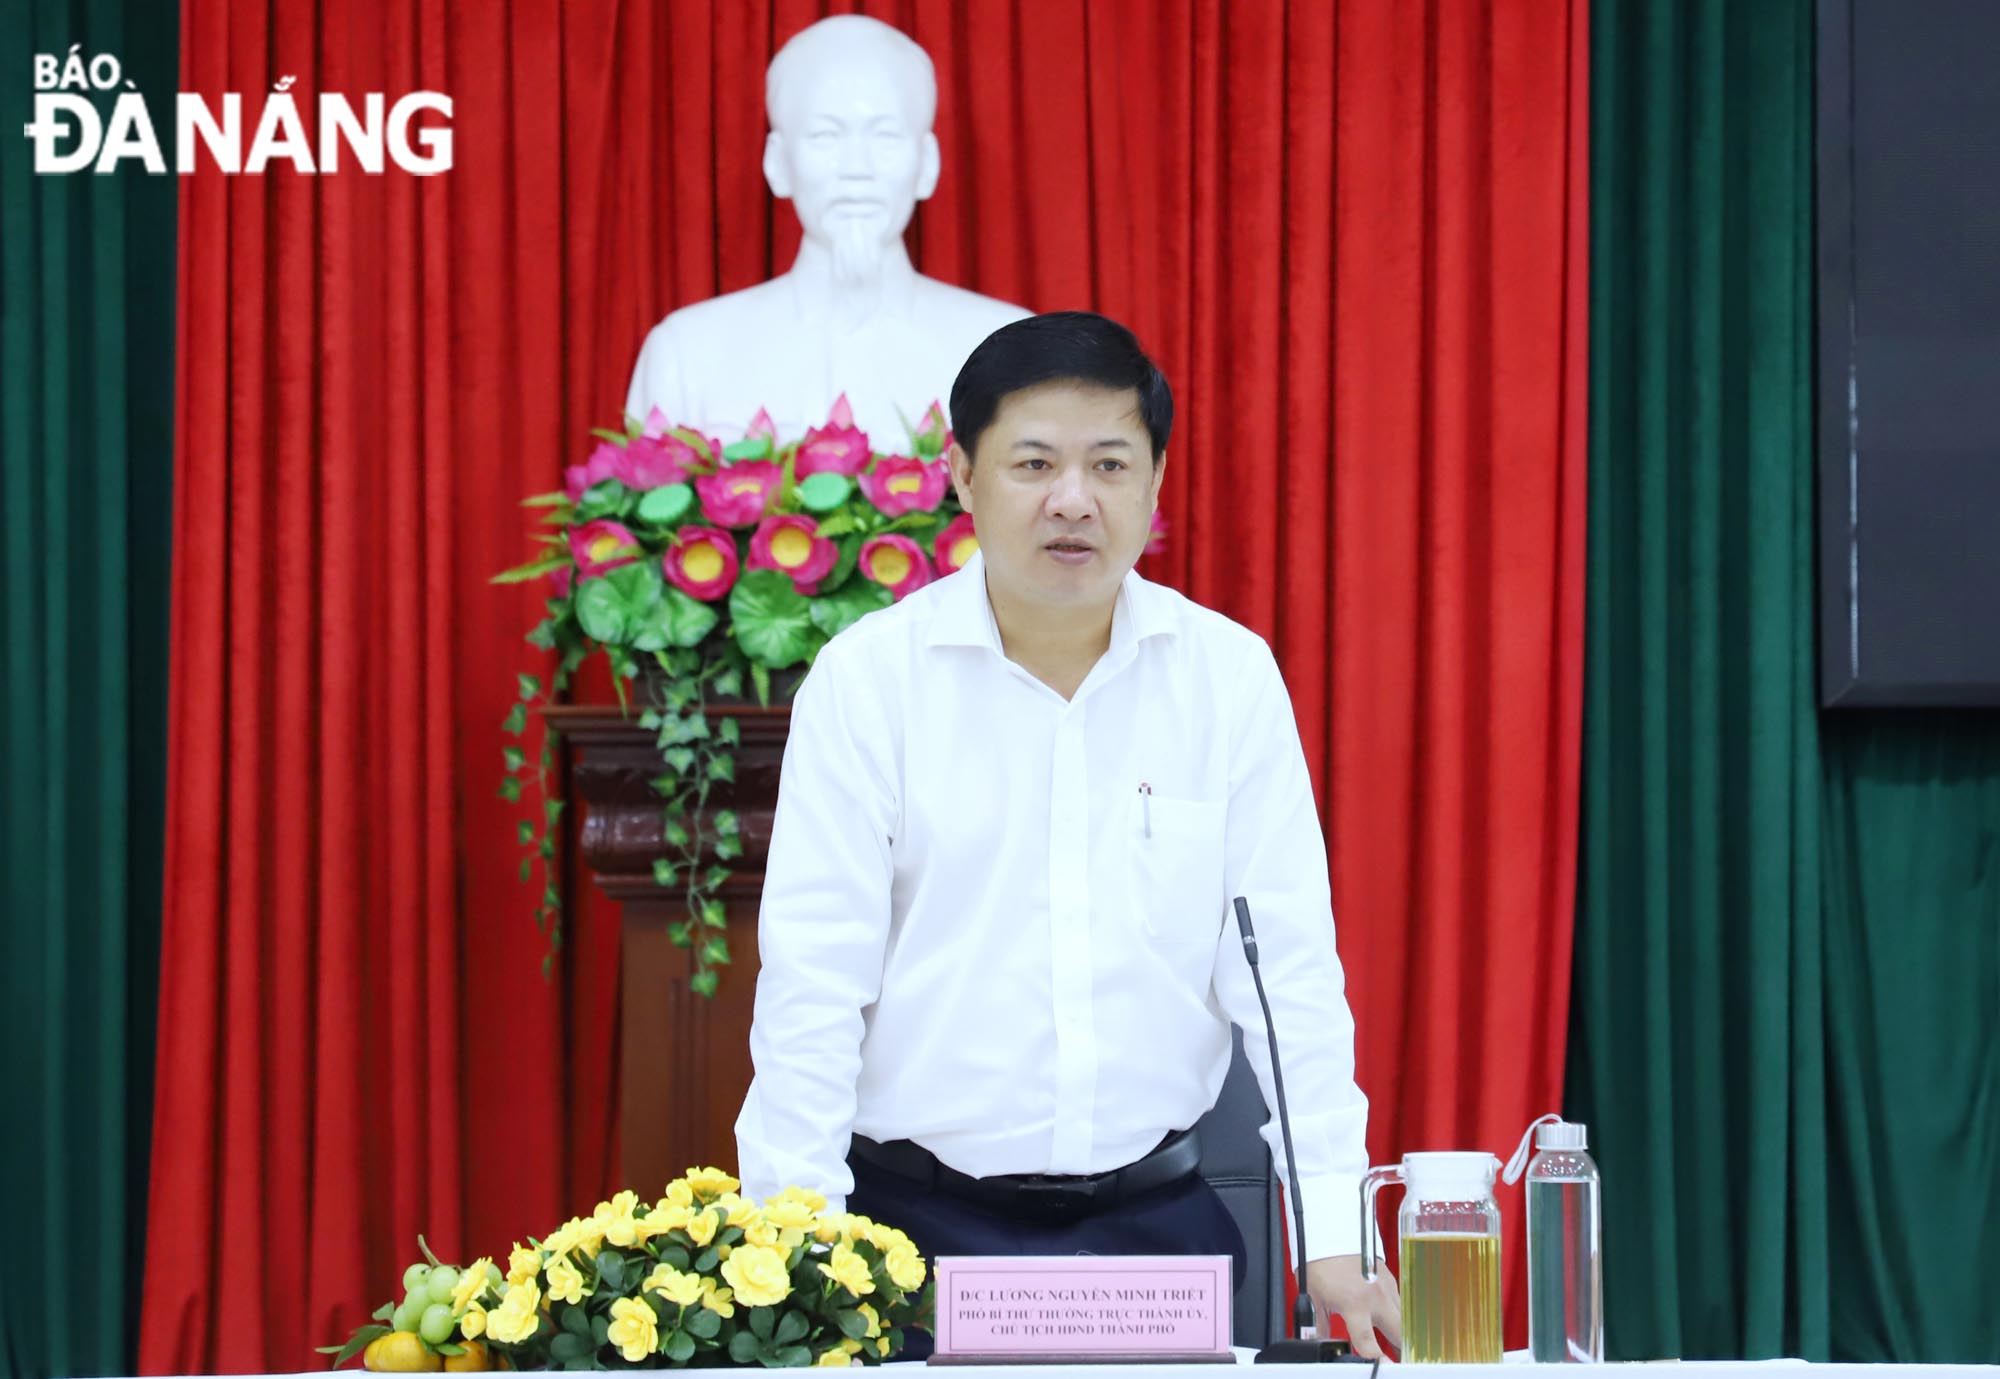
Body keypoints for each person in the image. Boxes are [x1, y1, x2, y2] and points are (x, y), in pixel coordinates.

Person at [734, 311, 1402, 1358]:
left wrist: (1331, 1234)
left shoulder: (1225, 680)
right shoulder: (870, 682)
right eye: (1032, 461)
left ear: (1154, 481)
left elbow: (1289, 985)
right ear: (961, 475)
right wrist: (801, 1252)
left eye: (1108, 463)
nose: (1072, 499)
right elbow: (812, 990)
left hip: (1159, 1239)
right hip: (911, 1237)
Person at [623, 14, 1026, 445]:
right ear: (777, 163)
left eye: (885, 136)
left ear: (927, 164)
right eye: (824, 136)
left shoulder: (1009, 349)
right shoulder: (687, 355)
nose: (857, 168)